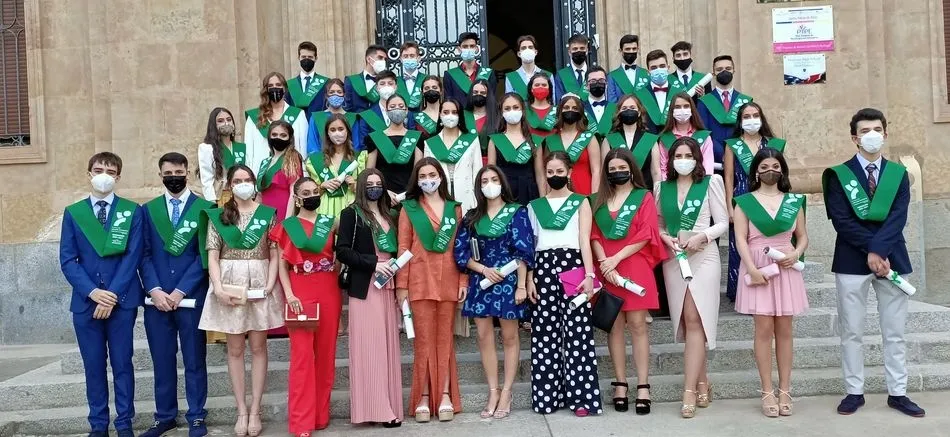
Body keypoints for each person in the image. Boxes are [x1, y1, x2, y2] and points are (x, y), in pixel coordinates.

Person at [822, 108, 924, 418]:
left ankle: (898, 392)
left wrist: (879, 251)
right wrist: (872, 250)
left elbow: (898, 217)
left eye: (877, 129)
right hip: (852, 259)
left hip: (893, 256)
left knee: (894, 331)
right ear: (854, 137)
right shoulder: (838, 175)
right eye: (865, 130)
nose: (872, 135)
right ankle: (854, 391)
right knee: (852, 330)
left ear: (886, 133)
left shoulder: (898, 174)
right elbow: (841, 219)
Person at [60, 152, 144, 437]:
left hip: (122, 302)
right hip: (86, 303)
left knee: (122, 363)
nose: (104, 174)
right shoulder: (73, 213)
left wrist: (111, 295)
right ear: (89, 173)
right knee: (93, 366)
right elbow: (68, 260)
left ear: (118, 176)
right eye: (98, 169)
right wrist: (94, 293)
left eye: (110, 170)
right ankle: (98, 424)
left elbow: (133, 256)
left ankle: (124, 423)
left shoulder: (132, 211)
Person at [199, 164, 283, 437]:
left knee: (258, 347)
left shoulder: (267, 215)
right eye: (238, 180)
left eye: (247, 179)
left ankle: (256, 409)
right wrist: (218, 288)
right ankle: (241, 410)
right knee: (235, 348)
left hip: (259, 281)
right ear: (230, 186)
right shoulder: (219, 216)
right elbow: (212, 254)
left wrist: (270, 285)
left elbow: (274, 252)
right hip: (230, 282)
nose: (243, 183)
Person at [139, 153, 214, 437]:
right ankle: (165, 416)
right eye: (168, 172)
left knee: (195, 359)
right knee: (162, 359)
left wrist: (180, 290)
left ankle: (196, 415)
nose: (174, 176)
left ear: (188, 173)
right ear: (160, 175)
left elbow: (204, 254)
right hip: (156, 300)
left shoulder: (204, 208)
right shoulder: (147, 211)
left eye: (179, 171)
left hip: (190, 297)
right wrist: (156, 290)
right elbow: (143, 255)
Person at [654, 138, 728, 418]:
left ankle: (688, 390)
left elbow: (723, 221)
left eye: (688, 154)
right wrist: (665, 238)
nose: (683, 159)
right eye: (678, 155)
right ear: (670, 160)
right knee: (687, 321)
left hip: (704, 255)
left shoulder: (711, 183)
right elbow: (659, 222)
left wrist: (703, 237)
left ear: (697, 158)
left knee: (695, 318)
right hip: (675, 258)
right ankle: (702, 381)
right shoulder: (663, 187)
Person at [590, 148, 666, 414]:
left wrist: (616, 259)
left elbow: (647, 233)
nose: (617, 173)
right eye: (612, 170)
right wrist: (603, 263)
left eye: (622, 168)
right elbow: (594, 235)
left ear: (632, 169)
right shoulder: (599, 200)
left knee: (638, 326)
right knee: (614, 326)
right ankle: (620, 382)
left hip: (633, 265)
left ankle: (643, 384)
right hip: (607, 269)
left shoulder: (642, 197)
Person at [455, 165, 535, 419]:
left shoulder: (517, 212)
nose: (490, 184)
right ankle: (493, 390)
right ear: (479, 187)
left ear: (502, 182)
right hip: (482, 281)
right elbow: (461, 253)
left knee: (510, 337)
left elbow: (524, 251)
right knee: (483, 336)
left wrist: (522, 285)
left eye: (494, 179)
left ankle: (508, 391)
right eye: (485, 180)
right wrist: (483, 269)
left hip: (510, 283)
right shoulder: (471, 217)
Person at [734, 148, 809, 418]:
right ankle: (767, 390)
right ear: (756, 171)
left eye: (775, 165)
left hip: (785, 265)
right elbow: (740, 238)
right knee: (763, 329)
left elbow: (802, 236)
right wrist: (751, 269)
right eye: (764, 166)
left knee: (785, 329)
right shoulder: (744, 202)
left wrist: (796, 253)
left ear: (782, 170)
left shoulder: (793, 201)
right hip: (758, 265)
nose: (770, 170)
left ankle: (786, 389)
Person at [526, 152, 602, 416]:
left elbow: (584, 240)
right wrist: (529, 279)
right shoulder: (534, 206)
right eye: (550, 172)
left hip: (573, 267)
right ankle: (547, 397)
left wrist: (590, 275)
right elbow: (532, 245)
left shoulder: (581, 202)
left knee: (578, 332)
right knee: (544, 334)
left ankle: (582, 399)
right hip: (543, 267)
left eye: (560, 171)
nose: (555, 176)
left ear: (569, 172)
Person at [396, 158, 466, 422]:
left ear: (441, 177)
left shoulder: (454, 209)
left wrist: (463, 282)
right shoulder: (409, 209)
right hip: (419, 281)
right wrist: (401, 286)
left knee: (445, 340)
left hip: (448, 279)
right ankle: (424, 396)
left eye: (432, 174)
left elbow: (460, 249)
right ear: (417, 179)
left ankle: (445, 394)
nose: (428, 179)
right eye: (423, 175)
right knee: (423, 341)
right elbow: (403, 249)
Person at [270, 177, 341, 435]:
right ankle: (301, 421)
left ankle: (321, 416)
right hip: (300, 291)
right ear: (297, 198)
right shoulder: (288, 226)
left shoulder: (330, 223)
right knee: (302, 357)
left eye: (315, 191)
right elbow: (281, 264)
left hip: (329, 290)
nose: (312, 195)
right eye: (306, 192)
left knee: (326, 356)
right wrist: (289, 294)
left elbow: (338, 257)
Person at [336, 169, 404, 428]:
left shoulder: (391, 214)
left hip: (389, 284)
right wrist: (374, 263)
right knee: (370, 349)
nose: (374, 188)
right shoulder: (351, 213)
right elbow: (342, 251)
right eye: (370, 184)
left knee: (387, 347)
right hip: (366, 285)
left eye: (379, 184)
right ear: (362, 186)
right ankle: (375, 408)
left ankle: (388, 403)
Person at [724, 102, 786, 302]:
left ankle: (770, 286)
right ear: (741, 121)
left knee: (764, 242)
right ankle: (740, 291)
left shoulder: (773, 144)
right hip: (742, 196)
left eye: (755, 115)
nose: (752, 120)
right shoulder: (733, 145)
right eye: (747, 116)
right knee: (740, 246)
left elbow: (780, 174)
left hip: (768, 197)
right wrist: (729, 207)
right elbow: (729, 178)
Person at [423, 98, 483, 211]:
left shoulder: (471, 140)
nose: (450, 116)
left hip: (467, 197)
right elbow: (427, 173)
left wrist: (477, 201)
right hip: (439, 196)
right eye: (446, 112)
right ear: (440, 114)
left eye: (454, 112)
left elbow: (477, 172)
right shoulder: (431, 143)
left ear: (460, 115)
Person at [697, 55, 753, 172]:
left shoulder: (745, 101)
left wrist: (736, 153)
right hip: (715, 159)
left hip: (740, 157)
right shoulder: (704, 101)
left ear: (734, 70)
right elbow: (704, 131)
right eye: (719, 69)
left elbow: (748, 131)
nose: (724, 72)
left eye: (728, 68)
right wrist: (722, 154)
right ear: (713, 73)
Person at [244, 72, 309, 174]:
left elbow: (303, 147)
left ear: (284, 88)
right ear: (266, 90)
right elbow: (248, 151)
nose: (275, 88)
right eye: (271, 86)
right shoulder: (254, 117)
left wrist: (304, 173)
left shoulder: (298, 114)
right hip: (261, 173)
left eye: (278, 85)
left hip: (290, 171)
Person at [487, 93, 544, 205]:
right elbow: (491, 173)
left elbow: (540, 174)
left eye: (515, 107)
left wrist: (542, 202)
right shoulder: (495, 140)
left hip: (529, 192)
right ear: (502, 113)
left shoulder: (534, 140)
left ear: (522, 110)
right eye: (507, 108)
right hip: (504, 192)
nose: (511, 111)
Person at [304, 114, 364, 218]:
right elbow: (309, 193)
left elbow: (365, 189)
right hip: (324, 208)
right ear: (327, 133)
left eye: (341, 129)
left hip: (351, 206)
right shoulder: (314, 160)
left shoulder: (360, 157)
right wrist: (322, 186)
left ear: (347, 131)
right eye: (333, 130)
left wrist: (354, 185)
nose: (337, 133)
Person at [365, 93, 424, 197]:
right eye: (392, 107)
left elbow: (418, 171)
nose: (397, 109)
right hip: (382, 194)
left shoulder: (416, 137)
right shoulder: (375, 137)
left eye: (401, 106)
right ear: (387, 111)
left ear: (406, 111)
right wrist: (384, 191)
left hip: (409, 194)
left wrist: (409, 192)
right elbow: (370, 172)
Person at [544, 94, 600, 195]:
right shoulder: (550, 139)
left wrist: (594, 198)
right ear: (560, 111)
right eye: (566, 107)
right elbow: (546, 172)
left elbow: (596, 171)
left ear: (581, 112)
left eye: (575, 108)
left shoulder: (589, 137)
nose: (570, 110)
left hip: (584, 191)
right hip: (557, 194)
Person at [654, 92, 714, 181]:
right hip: (672, 187)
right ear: (672, 111)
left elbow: (708, 167)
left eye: (686, 106)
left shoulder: (704, 137)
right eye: (677, 107)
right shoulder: (664, 138)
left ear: (692, 109)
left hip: (699, 186)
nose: (682, 110)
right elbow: (663, 168)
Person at [601, 94, 659, 187]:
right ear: (619, 113)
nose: (628, 110)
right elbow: (604, 172)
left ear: (639, 112)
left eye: (632, 107)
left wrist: (657, 197)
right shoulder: (608, 139)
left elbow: (656, 172)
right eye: (624, 108)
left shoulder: (650, 139)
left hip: (644, 193)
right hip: (617, 194)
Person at [257, 120, 305, 221]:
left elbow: (294, 191)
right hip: (264, 212)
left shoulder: (293, 158)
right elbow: (260, 192)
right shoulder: (265, 162)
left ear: (290, 138)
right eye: (274, 134)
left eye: (283, 135)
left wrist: (287, 220)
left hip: (283, 211)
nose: (278, 138)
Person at [198, 107, 246, 203]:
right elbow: (207, 180)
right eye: (220, 121)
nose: (226, 123)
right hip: (221, 196)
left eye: (229, 120)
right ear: (213, 125)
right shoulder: (207, 148)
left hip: (242, 195)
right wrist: (211, 203)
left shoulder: (242, 147)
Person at [306, 78, 362, 155]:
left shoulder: (353, 117)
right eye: (331, 92)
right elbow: (312, 146)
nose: (335, 95)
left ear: (344, 95)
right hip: (322, 163)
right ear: (326, 96)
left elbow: (356, 145)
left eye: (339, 92)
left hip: (347, 162)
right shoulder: (316, 117)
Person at [443, 31, 496, 108]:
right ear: (459, 49)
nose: (469, 49)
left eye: (472, 46)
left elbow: (491, 100)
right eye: (465, 46)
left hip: (482, 117)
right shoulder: (450, 75)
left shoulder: (489, 73)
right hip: (461, 118)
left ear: (476, 49)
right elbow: (449, 102)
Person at [636, 50, 683, 133]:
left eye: (662, 66)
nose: (659, 70)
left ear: (668, 68)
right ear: (648, 71)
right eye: (654, 68)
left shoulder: (679, 93)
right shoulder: (639, 95)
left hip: (674, 140)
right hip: (650, 140)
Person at [285, 41, 329, 119]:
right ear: (299, 58)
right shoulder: (289, 85)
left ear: (316, 58)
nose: (306, 60)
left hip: (318, 126)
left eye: (310, 57)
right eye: (303, 57)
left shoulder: (326, 83)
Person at [344, 44, 388, 113]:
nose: (383, 61)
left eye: (385, 59)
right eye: (380, 58)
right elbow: (348, 107)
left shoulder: (387, 82)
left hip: (379, 122)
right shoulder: (352, 80)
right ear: (369, 59)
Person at [505, 35, 551, 100]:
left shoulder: (548, 75)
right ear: (519, 54)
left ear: (536, 52)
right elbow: (509, 102)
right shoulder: (511, 77)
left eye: (530, 47)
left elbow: (552, 102)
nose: (527, 50)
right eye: (523, 48)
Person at [607, 34, 649, 102]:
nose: (631, 51)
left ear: (638, 50)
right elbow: (612, 102)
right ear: (621, 51)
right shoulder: (612, 76)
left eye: (634, 49)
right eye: (627, 49)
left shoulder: (646, 74)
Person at [553, 33, 591, 100]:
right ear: (569, 52)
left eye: (582, 48)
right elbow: (559, 101)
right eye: (575, 49)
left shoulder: (594, 74)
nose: (578, 51)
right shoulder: (561, 75)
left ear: (587, 51)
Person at [583, 66, 615, 138]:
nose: (597, 83)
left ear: (606, 84)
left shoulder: (615, 108)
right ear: (586, 85)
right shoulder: (580, 108)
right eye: (593, 81)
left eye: (601, 80)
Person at [525, 73, 558, 139]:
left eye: (544, 85)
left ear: (549, 89)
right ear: (531, 89)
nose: (540, 87)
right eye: (537, 85)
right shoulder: (524, 111)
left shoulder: (557, 110)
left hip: (553, 148)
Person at [397, 41, 426, 111]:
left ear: (418, 58)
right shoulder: (395, 81)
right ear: (401, 59)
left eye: (412, 56)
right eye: (405, 56)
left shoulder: (426, 79)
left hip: (422, 119)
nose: (409, 58)